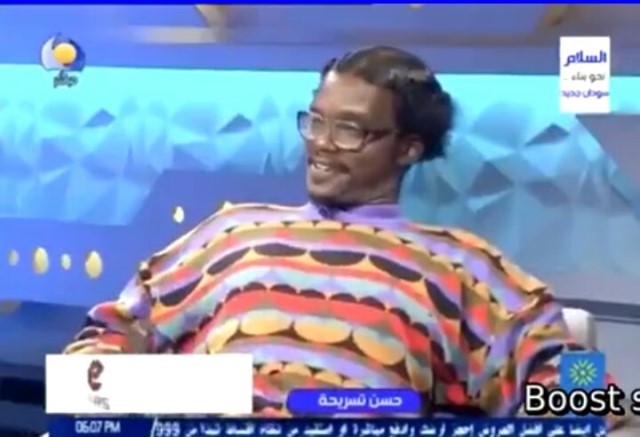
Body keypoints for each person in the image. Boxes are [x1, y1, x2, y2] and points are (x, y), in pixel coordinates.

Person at [64, 46, 625, 428]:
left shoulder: (460, 264)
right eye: (316, 121)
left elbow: (566, 369)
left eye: (350, 129)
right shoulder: (232, 231)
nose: (322, 143)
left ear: (408, 148)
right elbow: (109, 340)